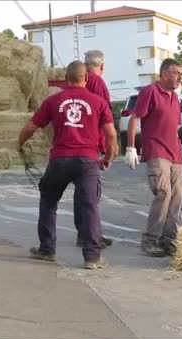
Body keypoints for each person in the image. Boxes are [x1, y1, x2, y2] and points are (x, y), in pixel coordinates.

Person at [17, 61, 118, 270]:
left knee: (48, 200)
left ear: (66, 78)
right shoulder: (98, 102)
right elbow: (111, 135)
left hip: (60, 159)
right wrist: (108, 158)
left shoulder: (54, 101)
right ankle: (92, 257)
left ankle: (47, 249)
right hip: (88, 161)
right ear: (86, 78)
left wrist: (20, 143)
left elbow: (30, 127)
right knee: (89, 207)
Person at [124, 58, 182, 258]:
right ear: (165, 73)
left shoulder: (175, 98)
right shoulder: (150, 92)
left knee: (177, 196)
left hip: (174, 153)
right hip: (156, 150)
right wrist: (131, 147)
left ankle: (168, 239)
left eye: (181, 73)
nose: (180, 77)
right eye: (177, 73)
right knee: (163, 193)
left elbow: (174, 128)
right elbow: (135, 118)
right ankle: (150, 239)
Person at [76, 49, 113, 249]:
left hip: (76, 139)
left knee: (81, 191)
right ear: (102, 66)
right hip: (91, 142)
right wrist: (107, 147)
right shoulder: (98, 83)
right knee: (91, 192)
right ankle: (90, 235)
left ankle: (84, 231)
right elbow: (104, 116)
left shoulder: (79, 80)